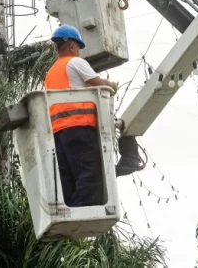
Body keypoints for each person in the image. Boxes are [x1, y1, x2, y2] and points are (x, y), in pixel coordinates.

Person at [44, 25, 143, 206]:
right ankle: (80, 210)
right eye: (79, 48)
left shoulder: (50, 72)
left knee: (70, 175)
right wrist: (112, 85)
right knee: (91, 173)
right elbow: (99, 84)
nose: (79, 52)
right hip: (79, 127)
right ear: (73, 46)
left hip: (59, 131)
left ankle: (70, 209)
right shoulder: (75, 62)